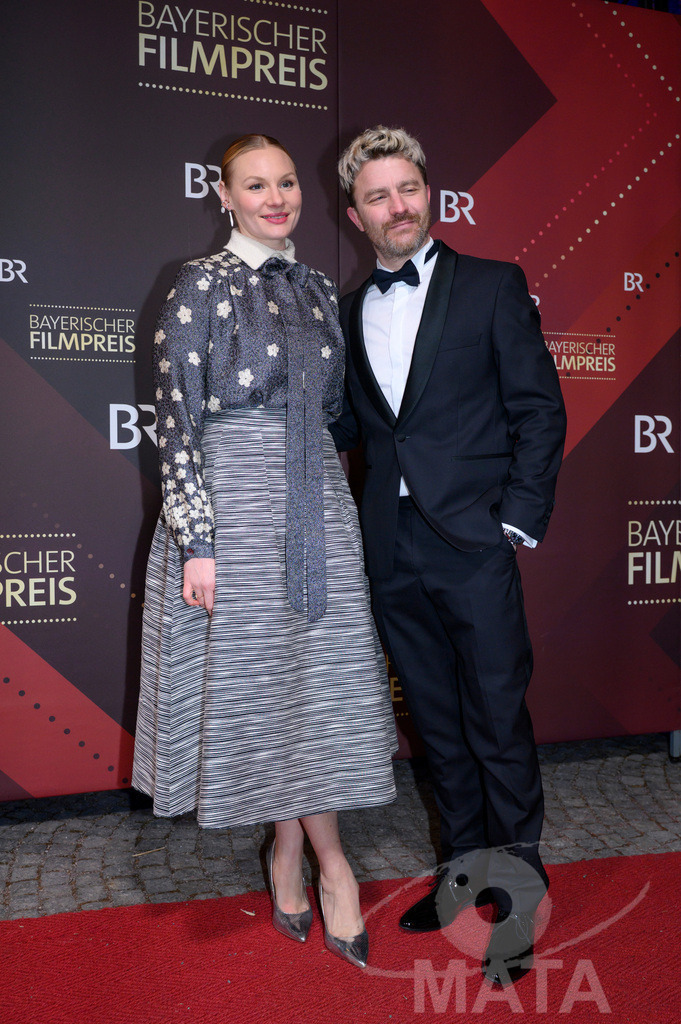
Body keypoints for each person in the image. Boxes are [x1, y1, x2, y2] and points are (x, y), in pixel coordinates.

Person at [132, 133, 397, 970]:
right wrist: (197, 543)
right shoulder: (198, 285)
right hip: (235, 508)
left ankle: (301, 852)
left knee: (317, 685)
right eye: (255, 185)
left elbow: (338, 413)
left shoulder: (316, 287)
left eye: (285, 182)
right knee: (265, 688)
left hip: (318, 503)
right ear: (224, 195)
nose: (275, 198)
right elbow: (177, 420)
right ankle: (319, 860)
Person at [331, 126, 567, 986]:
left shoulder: (492, 285)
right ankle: (461, 875)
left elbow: (539, 409)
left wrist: (514, 522)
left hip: (472, 542)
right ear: (355, 214)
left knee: (497, 723)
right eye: (378, 196)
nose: (397, 206)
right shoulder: (349, 311)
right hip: (392, 551)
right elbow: (353, 427)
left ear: (427, 192)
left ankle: (518, 903)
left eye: (408, 189)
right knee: (436, 725)